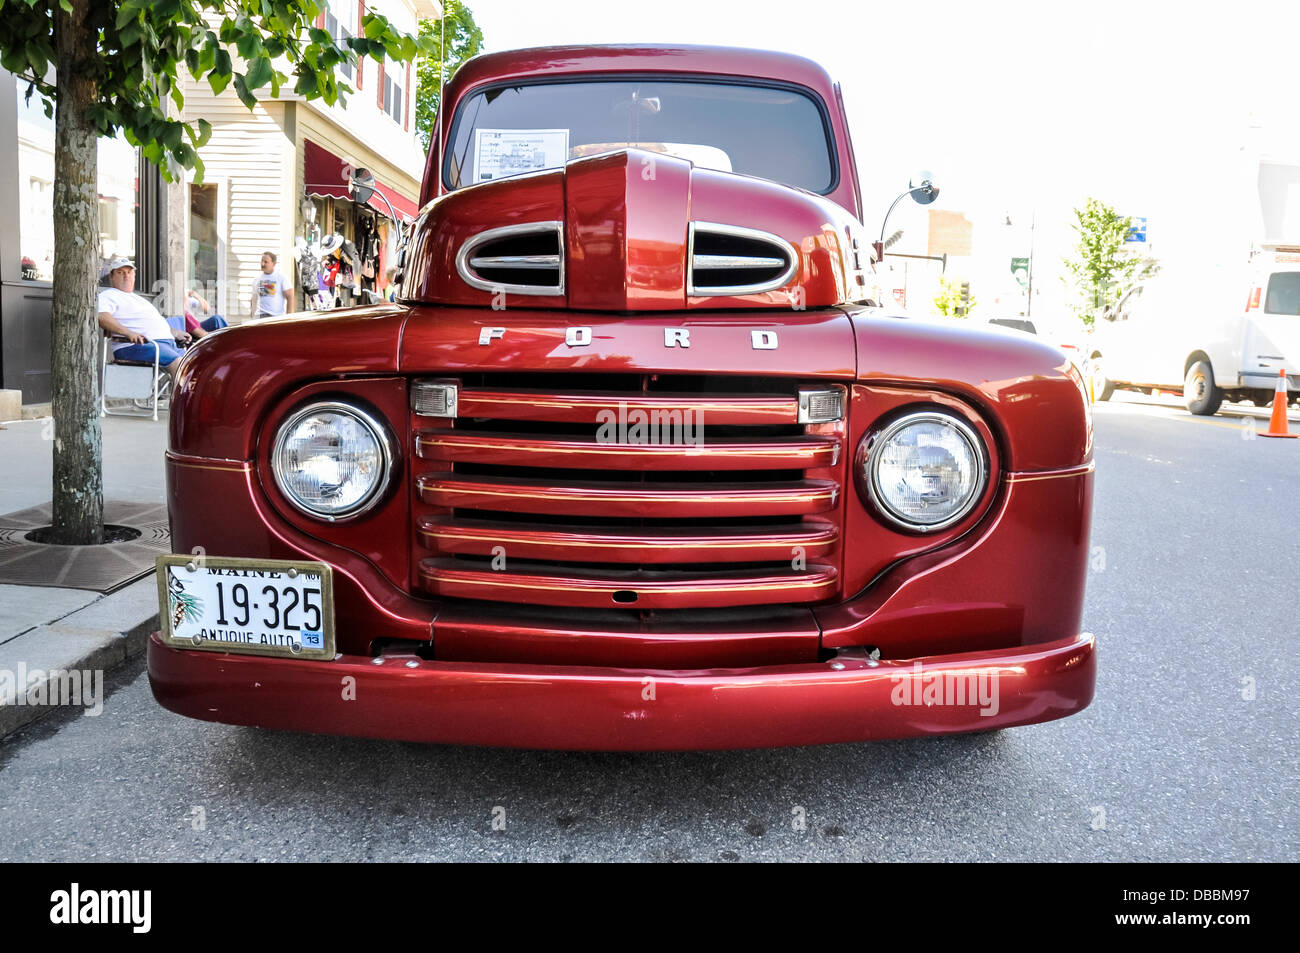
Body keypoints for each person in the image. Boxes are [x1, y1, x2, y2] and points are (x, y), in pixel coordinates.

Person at [96, 256, 191, 376]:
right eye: (120, 272)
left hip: (164, 344)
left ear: (134, 275)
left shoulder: (138, 299)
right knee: (180, 366)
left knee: (193, 365)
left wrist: (175, 332)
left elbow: (155, 322)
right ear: (111, 277)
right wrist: (128, 333)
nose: (126, 276)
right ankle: (183, 394)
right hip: (136, 346)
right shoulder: (109, 295)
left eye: (129, 272)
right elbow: (101, 316)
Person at [250, 251, 293, 318]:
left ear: (273, 263)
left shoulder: (282, 278)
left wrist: (289, 318)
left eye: (266, 262)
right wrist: (252, 316)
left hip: (276, 317)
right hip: (260, 317)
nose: (262, 264)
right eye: (262, 261)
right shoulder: (257, 279)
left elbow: (290, 297)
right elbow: (254, 299)